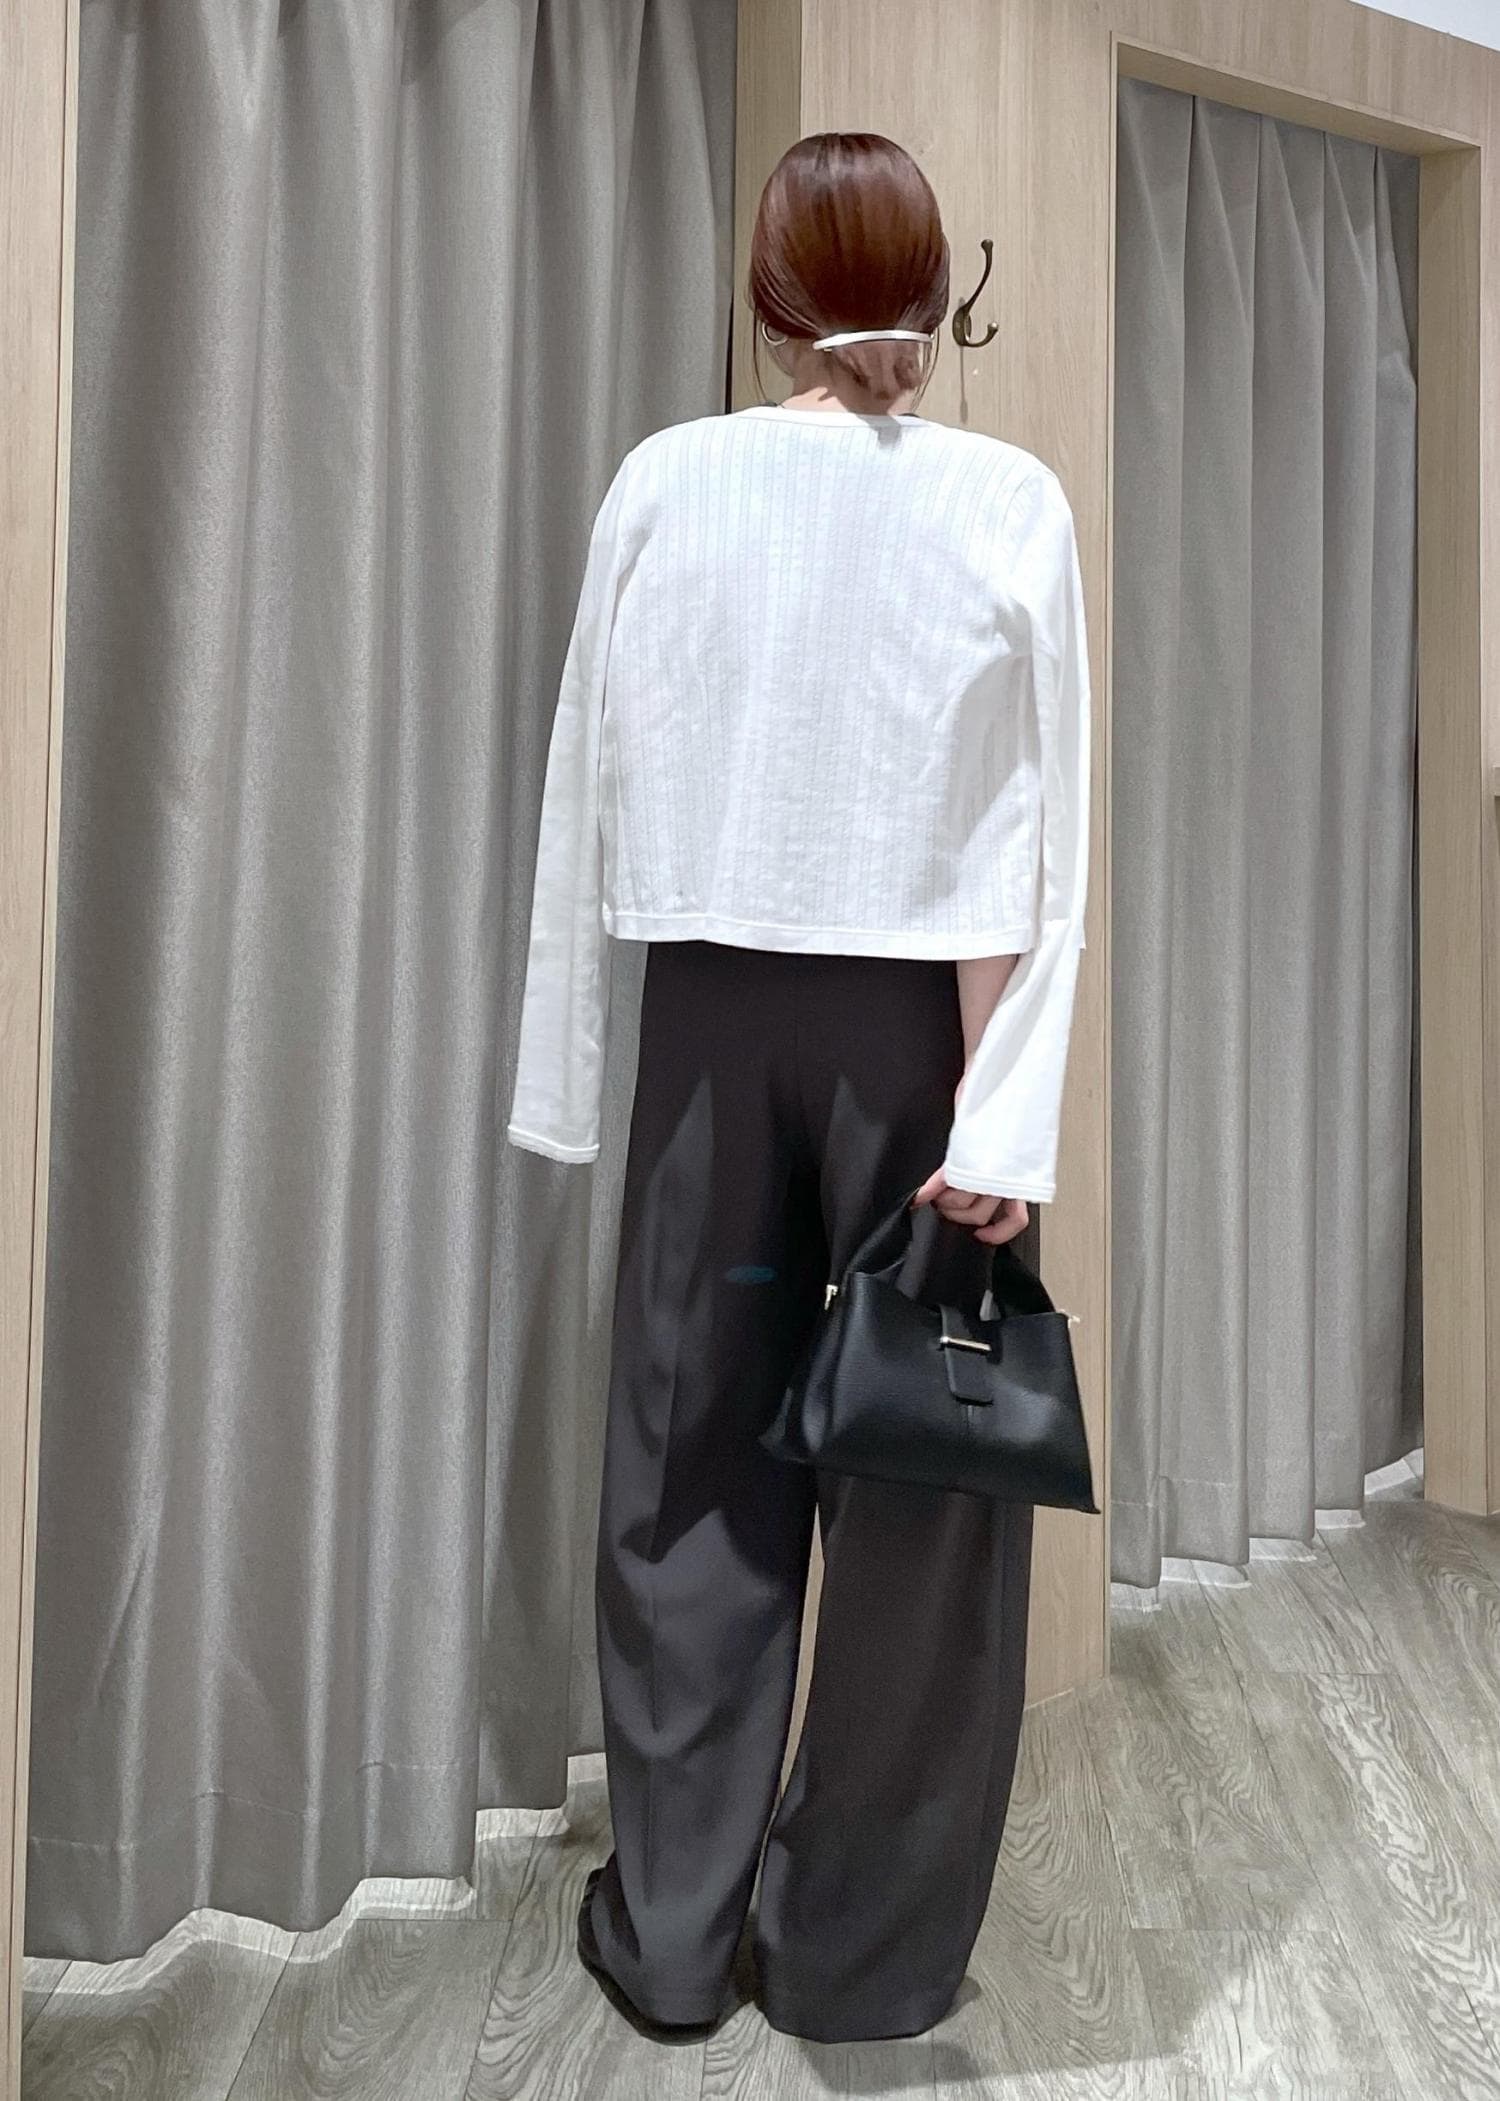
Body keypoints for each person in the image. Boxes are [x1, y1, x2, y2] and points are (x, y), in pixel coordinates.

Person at [505, 130, 1090, 2045]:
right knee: (925, 1495)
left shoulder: (667, 479)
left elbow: (587, 779)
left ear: (766, 302)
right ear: (932, 298)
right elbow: (1036, 835)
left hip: (709, 1038)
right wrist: (1002, 1110)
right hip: (921, 1047)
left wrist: (567, 1072)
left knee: (691, 1471)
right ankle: (858, 1955)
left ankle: (673, 1938)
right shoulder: (1009, 501)